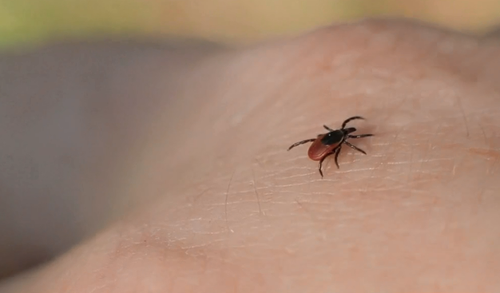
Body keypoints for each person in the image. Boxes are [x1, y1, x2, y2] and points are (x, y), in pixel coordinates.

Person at [1, 19, 499, 292]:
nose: (340, 140)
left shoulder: (328, 141)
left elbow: (320, 144)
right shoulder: (333, 146)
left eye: (341, 139)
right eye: (340, 138)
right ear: (334, 139)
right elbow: (324, 148)